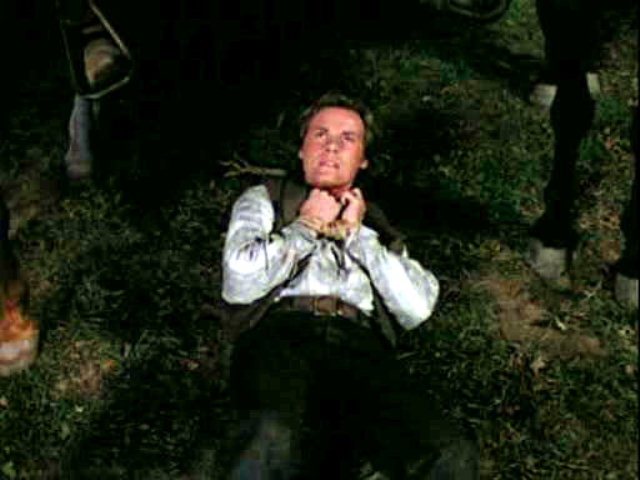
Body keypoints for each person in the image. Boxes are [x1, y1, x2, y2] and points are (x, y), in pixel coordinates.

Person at [221, 93, 479, 479]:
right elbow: (238, 282)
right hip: (282, 335)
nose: (331, 146)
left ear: (363, 160)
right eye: (320, 134)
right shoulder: (265, 198)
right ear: (301, 149)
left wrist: (359, 236)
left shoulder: (376, 225)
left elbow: (418, 307)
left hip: (360, 347)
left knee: (447, 449)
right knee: (270, 434)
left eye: (348, 138)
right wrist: (306, 226)